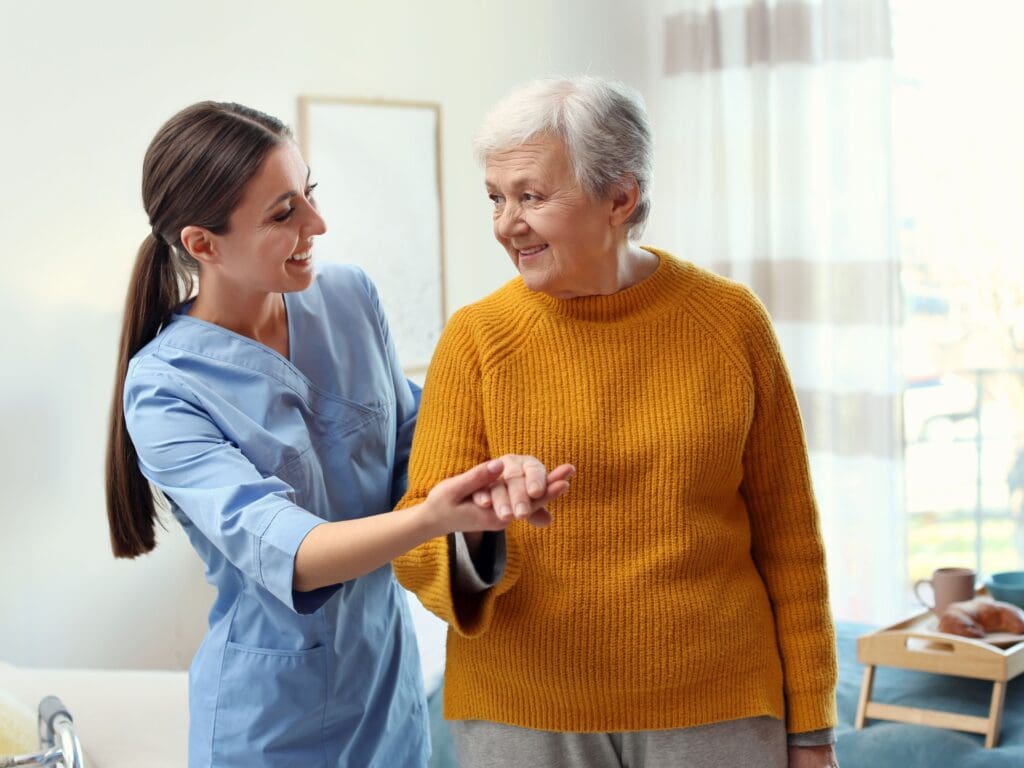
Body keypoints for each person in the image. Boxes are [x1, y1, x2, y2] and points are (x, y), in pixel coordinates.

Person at [103, 101, 572, 767]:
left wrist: (489, 484)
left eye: (308, 193)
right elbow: (288, 551)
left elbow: (420, 447)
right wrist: (432, 517)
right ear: (202, 244)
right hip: (270, 724)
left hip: (387, 693)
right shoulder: (165, 388)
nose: (317, 224)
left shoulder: (348, 299)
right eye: (283, 213)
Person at [393, 76, 840, 768]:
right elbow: (417, 545)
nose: (506, 222)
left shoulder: (730, 322)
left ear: (620, 199)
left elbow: (790, 538)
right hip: (523, 715)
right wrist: (481, 522)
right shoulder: (476, 338)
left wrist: (812, 731)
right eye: (496, 198)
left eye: (531, 196)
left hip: (716, 706)